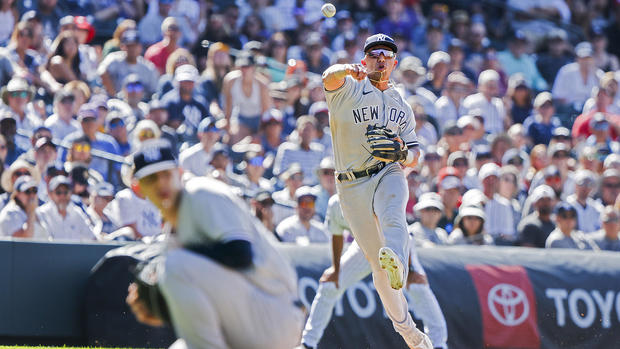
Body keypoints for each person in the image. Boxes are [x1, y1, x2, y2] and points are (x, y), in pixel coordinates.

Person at [125, 139, 304, 349]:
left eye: (166, 174)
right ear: (138, 187)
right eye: (151, 179)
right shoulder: (173, 233)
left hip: (275, 311)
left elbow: (239, 254)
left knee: (174, 265)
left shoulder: (201, 192)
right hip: (250, 315)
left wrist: (166, 273)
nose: (160, 183)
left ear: (180, 172)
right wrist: (160, 305)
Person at [322, 33, 431, 348]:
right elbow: (327, 78)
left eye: (386, 54)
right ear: (365, 59)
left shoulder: (401, 104)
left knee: (394, 215)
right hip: (351, 183)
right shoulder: (348, 88)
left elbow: (415, 154)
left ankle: (396, 254)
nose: (380, 58)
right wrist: (346, 69)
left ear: (394, 62)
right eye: (374, 53)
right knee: (377, 266)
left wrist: (401, 154)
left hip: (387, 170)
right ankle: (408, 330)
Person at [300, 194, 448, 349]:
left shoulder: (374, 188)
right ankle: (308, 343)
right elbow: (337, 235)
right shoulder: (336, 203)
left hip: (393, 243)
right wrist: (335, 270)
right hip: (364, 246)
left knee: (418, 285)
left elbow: (400, 229)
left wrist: (410, 268)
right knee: (330, 285)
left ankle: (438, 345)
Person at [34, 175, 95, 241]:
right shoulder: (41, 213)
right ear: (50, 194)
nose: (62, 196)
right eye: (58, 192)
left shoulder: (77, 212)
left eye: (65, 192)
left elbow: (92, 238)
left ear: (70, 193)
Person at [461, 70, 506, 135]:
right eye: (489, 85)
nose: (492, 88)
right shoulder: (471, 101)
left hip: (496, 139)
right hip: (477, 139)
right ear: (480, 86)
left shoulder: (499, 103)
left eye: (494, 85)